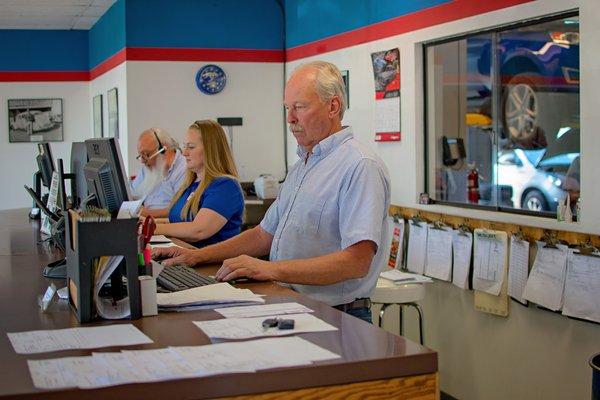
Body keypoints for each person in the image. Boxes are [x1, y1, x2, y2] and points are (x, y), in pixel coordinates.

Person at [154, 61, 391, 323]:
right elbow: (263, 234)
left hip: (338, 314)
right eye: (287, 108)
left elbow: (355, 262)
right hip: (291, 303)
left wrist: (268, 269)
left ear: (332, 107)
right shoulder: (303, 165)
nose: (290, 119)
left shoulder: (359, 166)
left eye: (299, 107)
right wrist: (197, 255)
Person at [153, 120, 244, 248]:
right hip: (185, 258)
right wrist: (150, 223)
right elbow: (179, 221)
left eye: (190, 147)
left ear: (210, 150)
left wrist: (153, 229)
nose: (184, 153)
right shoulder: (190, 185)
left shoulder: (225, 186)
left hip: (213, 265)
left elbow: (198, 230)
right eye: (184, 147)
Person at [131, 128, 187, 217]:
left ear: (163, 149)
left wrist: (147, 214)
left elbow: (181, 210)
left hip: (166, 226)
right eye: (141, 156)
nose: (142, 161)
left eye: (146, 154)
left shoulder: (183, 169)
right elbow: (133, 195)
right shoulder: (148, 167)